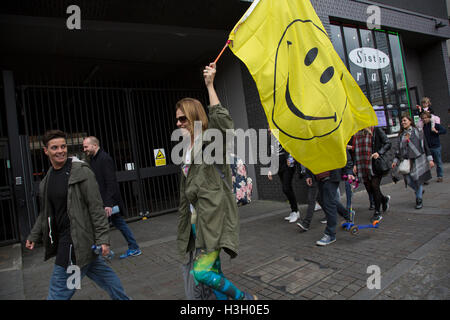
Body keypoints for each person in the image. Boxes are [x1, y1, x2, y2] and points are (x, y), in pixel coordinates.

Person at [176, 62, 256, 300]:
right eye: (177, 120)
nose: (178, 123)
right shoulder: (186, 149)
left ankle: (243, 299)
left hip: (214, 218)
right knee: (213, 270)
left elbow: (223, 123)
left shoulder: (212, 141)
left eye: (182, 119)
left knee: (201, 273)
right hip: (195, 221)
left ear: (194, 117)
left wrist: (210, 85)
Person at [26, 130, 129, 300]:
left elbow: (96, 207)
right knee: (108, 280)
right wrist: (34, 235)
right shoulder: (47, 181)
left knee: (58, 291)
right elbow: (46, 213)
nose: (60, 151)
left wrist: (103, 239)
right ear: (46, 151)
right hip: (81, 245)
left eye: (63, 146)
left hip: (73, 245)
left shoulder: (81, 171)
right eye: (54, 147)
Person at [83, 136, 142, 259]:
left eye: (86, 146)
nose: (84, 149)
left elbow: (111, 182)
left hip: (108, 203)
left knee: (102, 225)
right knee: (115, 224)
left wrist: (108, 203)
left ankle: (106, 251)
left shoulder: (104, 159)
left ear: (94, 145)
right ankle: (130, 248)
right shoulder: (93, 159)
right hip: (104, 201)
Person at [303, 150, 354, 245]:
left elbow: (344, 153)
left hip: (332, 176)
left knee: (328, 203)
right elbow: (310, 157)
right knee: (324, 200)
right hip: (319, 177)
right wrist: (308, 175)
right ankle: (348, 215)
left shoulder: (332, 136)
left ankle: (330, 234)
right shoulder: (314, 140)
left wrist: (349, 171)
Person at [392, 116, 434, 209]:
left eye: (404, 120)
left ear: (410, 121)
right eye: (402, 121)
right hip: (406, 160)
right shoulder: (401, 135)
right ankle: (419, 191)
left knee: (417, 180)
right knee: (409, 181)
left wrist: (430, 159)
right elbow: (398, 150)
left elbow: (425, 145)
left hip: (417, 159)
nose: (403, 122)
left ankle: (419, 200)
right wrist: (395, 161)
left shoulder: (418, 131)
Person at [352, 126, 391, 222]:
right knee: (369, 188)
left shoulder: (376, 130)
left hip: (374, 164)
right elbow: (355, 150)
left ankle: (377, 212)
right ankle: (384, 199)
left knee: (374, 186)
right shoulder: (356, 132)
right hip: (363, 165)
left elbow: (388, 143)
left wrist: (379, 152)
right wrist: (355, 164)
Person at [267, 132, 300, 223]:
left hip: (287, 165)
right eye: (268, 128)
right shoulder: (270, 138)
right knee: (287, 188)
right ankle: (294, 211)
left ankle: (295, 211)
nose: (268, 129)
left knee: (286, 188)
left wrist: (291, 159)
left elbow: (292, 147)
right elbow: (270, 154)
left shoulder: (283, 133)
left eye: (270, 127)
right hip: (278, 166)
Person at [421, 111, 446, 182]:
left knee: (438, 162)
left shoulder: (434, 125)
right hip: (427, 148)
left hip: (436, 146)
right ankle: (426, 178)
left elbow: (444, 130)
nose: (424, 119)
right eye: (423, 118)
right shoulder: (423, 126)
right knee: (426, 163)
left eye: (426, 118)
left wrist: (437, 132)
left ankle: (440, 176)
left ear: (429, 118)